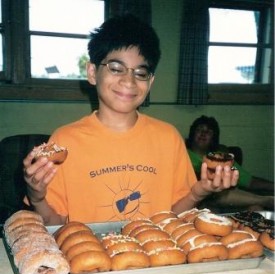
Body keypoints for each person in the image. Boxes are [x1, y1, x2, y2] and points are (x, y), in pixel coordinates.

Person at [22, 15, 238, 226]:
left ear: (150, 81)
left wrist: (197, 192)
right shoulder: (65, 139)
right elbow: (55, 224)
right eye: (116, 68)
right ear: (92, 72)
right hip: (91, 258)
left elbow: (172, 218)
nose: (129, 81)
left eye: (140, 73)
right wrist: (37, 197)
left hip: (157, 257)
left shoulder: (168, 137)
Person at [186, 115, 274, 212]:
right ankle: (266, 200)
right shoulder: (182, 153)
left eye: (209, 132)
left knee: (256, 208)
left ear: (213, 138)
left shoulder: (222, 157)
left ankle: (266, 201)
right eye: (199, 130)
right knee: (214, 194)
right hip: (201, 202)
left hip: (229, 200)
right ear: (192, 132)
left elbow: (250, 181)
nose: (203, 134)